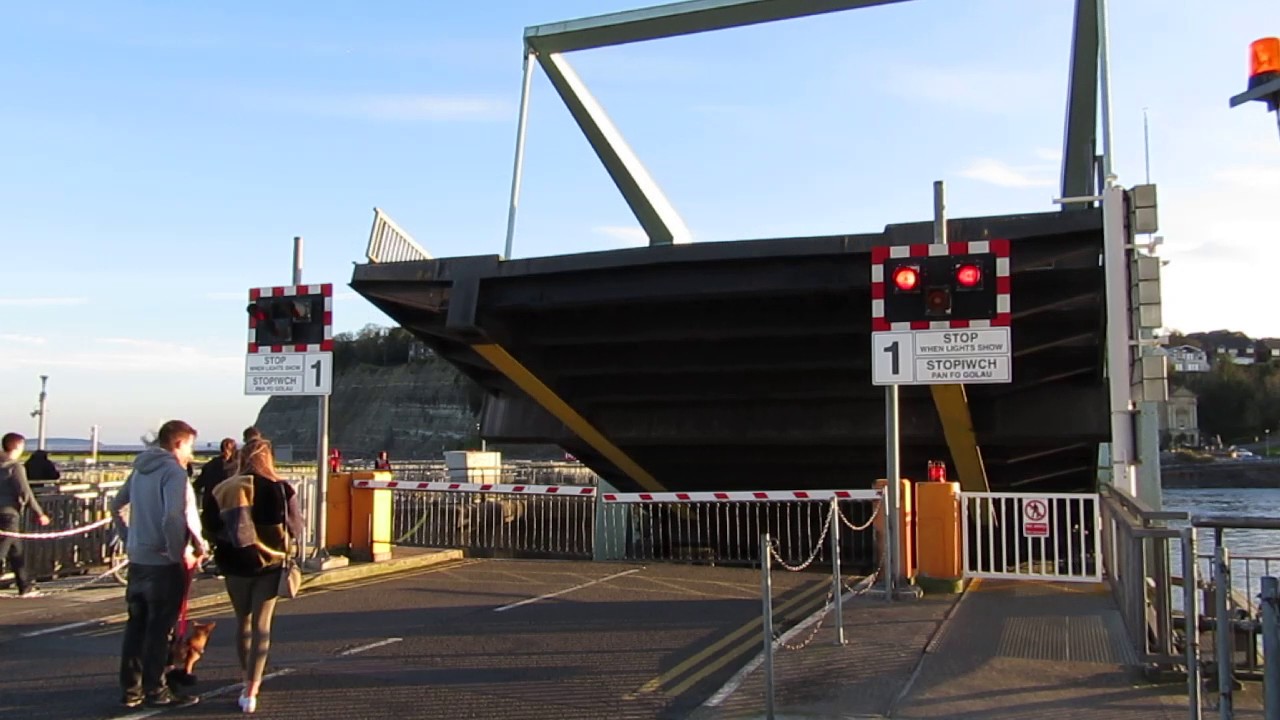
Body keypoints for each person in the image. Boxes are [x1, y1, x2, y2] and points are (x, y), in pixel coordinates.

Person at [110, 420, 207, 709]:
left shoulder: (140, 469)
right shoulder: (173, 472)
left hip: (138, 559)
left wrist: (129, 537)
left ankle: (131, 690)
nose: (191, 453)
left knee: (136, 627)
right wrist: (176, 552)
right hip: (163, 562)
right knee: (159, 630)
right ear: (179, 443)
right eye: (189, 446)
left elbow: (116, 505)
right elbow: (173, 516)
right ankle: (156, 690)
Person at [204, 438, 303, 714]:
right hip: (270, 563)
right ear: (268, 458)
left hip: (234, 563)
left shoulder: (224, 488)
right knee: (262, 625)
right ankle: (251, 688)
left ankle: (244, 675)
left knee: (243, 621)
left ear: (241, 458)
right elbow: (296, 528)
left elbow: (209, 527)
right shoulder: (281, 488)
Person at [0, 433, 51, 598]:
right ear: (17, 446)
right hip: (9, 514)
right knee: (3, 550)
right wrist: (39, 513)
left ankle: (25, 585)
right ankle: (25, 586)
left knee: (16, 550)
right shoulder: (15, 467)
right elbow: (25, 492)